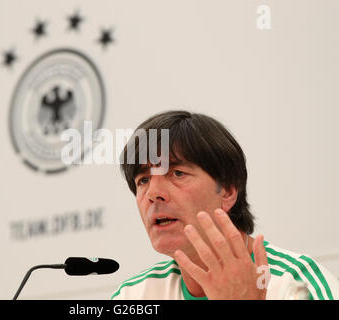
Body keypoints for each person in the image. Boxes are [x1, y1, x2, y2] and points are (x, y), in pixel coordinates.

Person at [111, 110, 339, 300]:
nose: (153, 194)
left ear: (228, 191)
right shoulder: (133, 296)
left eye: (177, 173)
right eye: (143, 180)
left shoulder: (296, 284)